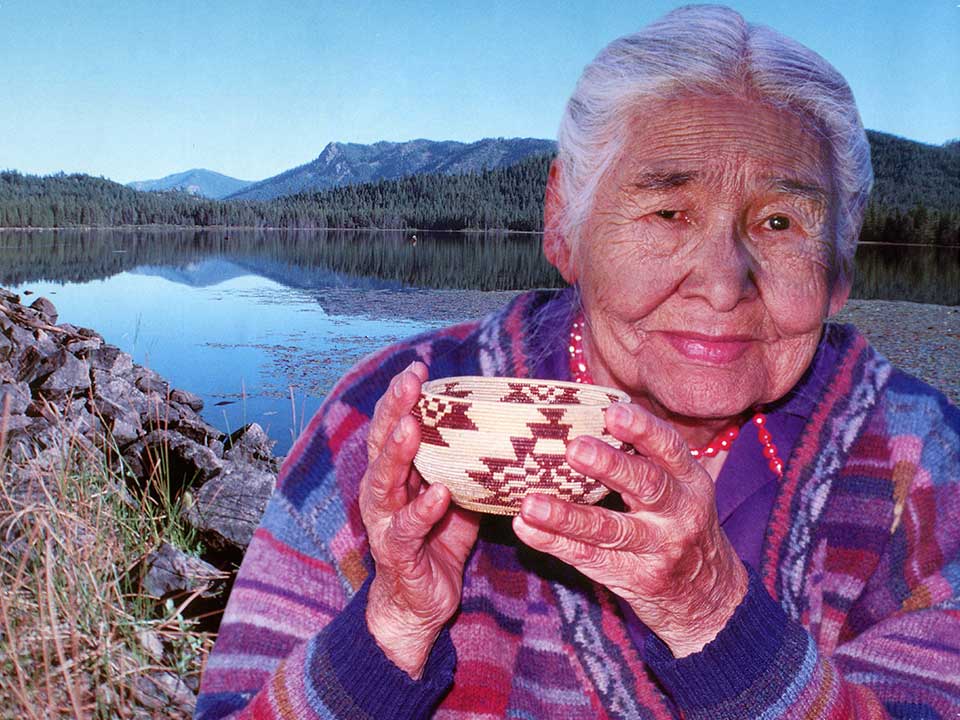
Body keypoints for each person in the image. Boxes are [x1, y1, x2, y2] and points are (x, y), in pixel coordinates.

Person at [195, 5, 960, 718]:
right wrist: (391, 628)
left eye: (781, 221)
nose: (724, 281)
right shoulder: (393, 427)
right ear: (565, 224)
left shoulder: (924, 465)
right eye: (668, 212)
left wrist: (716, 620)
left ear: (839, 268)